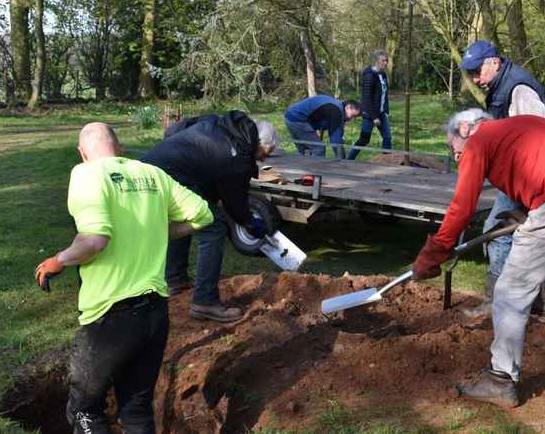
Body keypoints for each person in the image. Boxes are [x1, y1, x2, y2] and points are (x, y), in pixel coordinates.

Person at [411, 109, 545, 407]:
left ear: (465, 128)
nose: (457, 156)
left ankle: (500, 379)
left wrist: (434, 251)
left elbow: (462, 206)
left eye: (453, 148)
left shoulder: (478, 140)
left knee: (511, 293)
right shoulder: (526, 125)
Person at [34, 123, 213, 434]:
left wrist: (58, 261)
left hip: (110, 318)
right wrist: (160, 231)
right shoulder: (152, 174)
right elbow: (202, 214)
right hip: (155, 315)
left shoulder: (86, 174)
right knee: (136, 410)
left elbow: (94, 240)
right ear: (119, 149)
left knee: (84, 410)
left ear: (82, 153)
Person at [141, 111, 280, 322]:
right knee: (214, 227)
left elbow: (177, 129)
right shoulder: (238, 156)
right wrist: (250, 223)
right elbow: (235, 205)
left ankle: (175, 279)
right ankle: (205, 302)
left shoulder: (222, 125)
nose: (264, 158)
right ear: (258, 142)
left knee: (186, 218)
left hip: (150, 170)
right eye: (266, 152)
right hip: (167, 177)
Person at [458, 40, 545, 318]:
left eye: (478, 72)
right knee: (534, 232)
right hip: (523, 171)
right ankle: (539, 302)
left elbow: (538, 135)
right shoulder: (503, 85)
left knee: (497, 229)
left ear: (494, 62)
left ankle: (496, 301)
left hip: (529, 172)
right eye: (471, 74)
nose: (476, 79)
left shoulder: (518, 88)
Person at [284, 94, 361, 158]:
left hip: (290, 116)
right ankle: (318, 173)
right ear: (348, 107)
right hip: (298, 119)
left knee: (304, 151)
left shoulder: (336, 105)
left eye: (355, 117)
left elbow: (321, 120)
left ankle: (302, 172)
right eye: (353, 115)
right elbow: (336, 141)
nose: (352, 119)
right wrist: (343, 162)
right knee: (318, 149)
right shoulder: (337, 112)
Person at [347, 49, 391, 160]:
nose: (386, 63)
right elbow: (366, 99)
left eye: (387, 60)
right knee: (364, 140)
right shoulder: (369, 75)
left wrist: (385, 110)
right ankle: (348, 160)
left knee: (387, 138)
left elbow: (384, 94)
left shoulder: (383, 74)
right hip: (370, 114)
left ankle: (386, 162)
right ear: (376, 61)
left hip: (381, 113)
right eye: (383, 61)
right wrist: (374, 117)